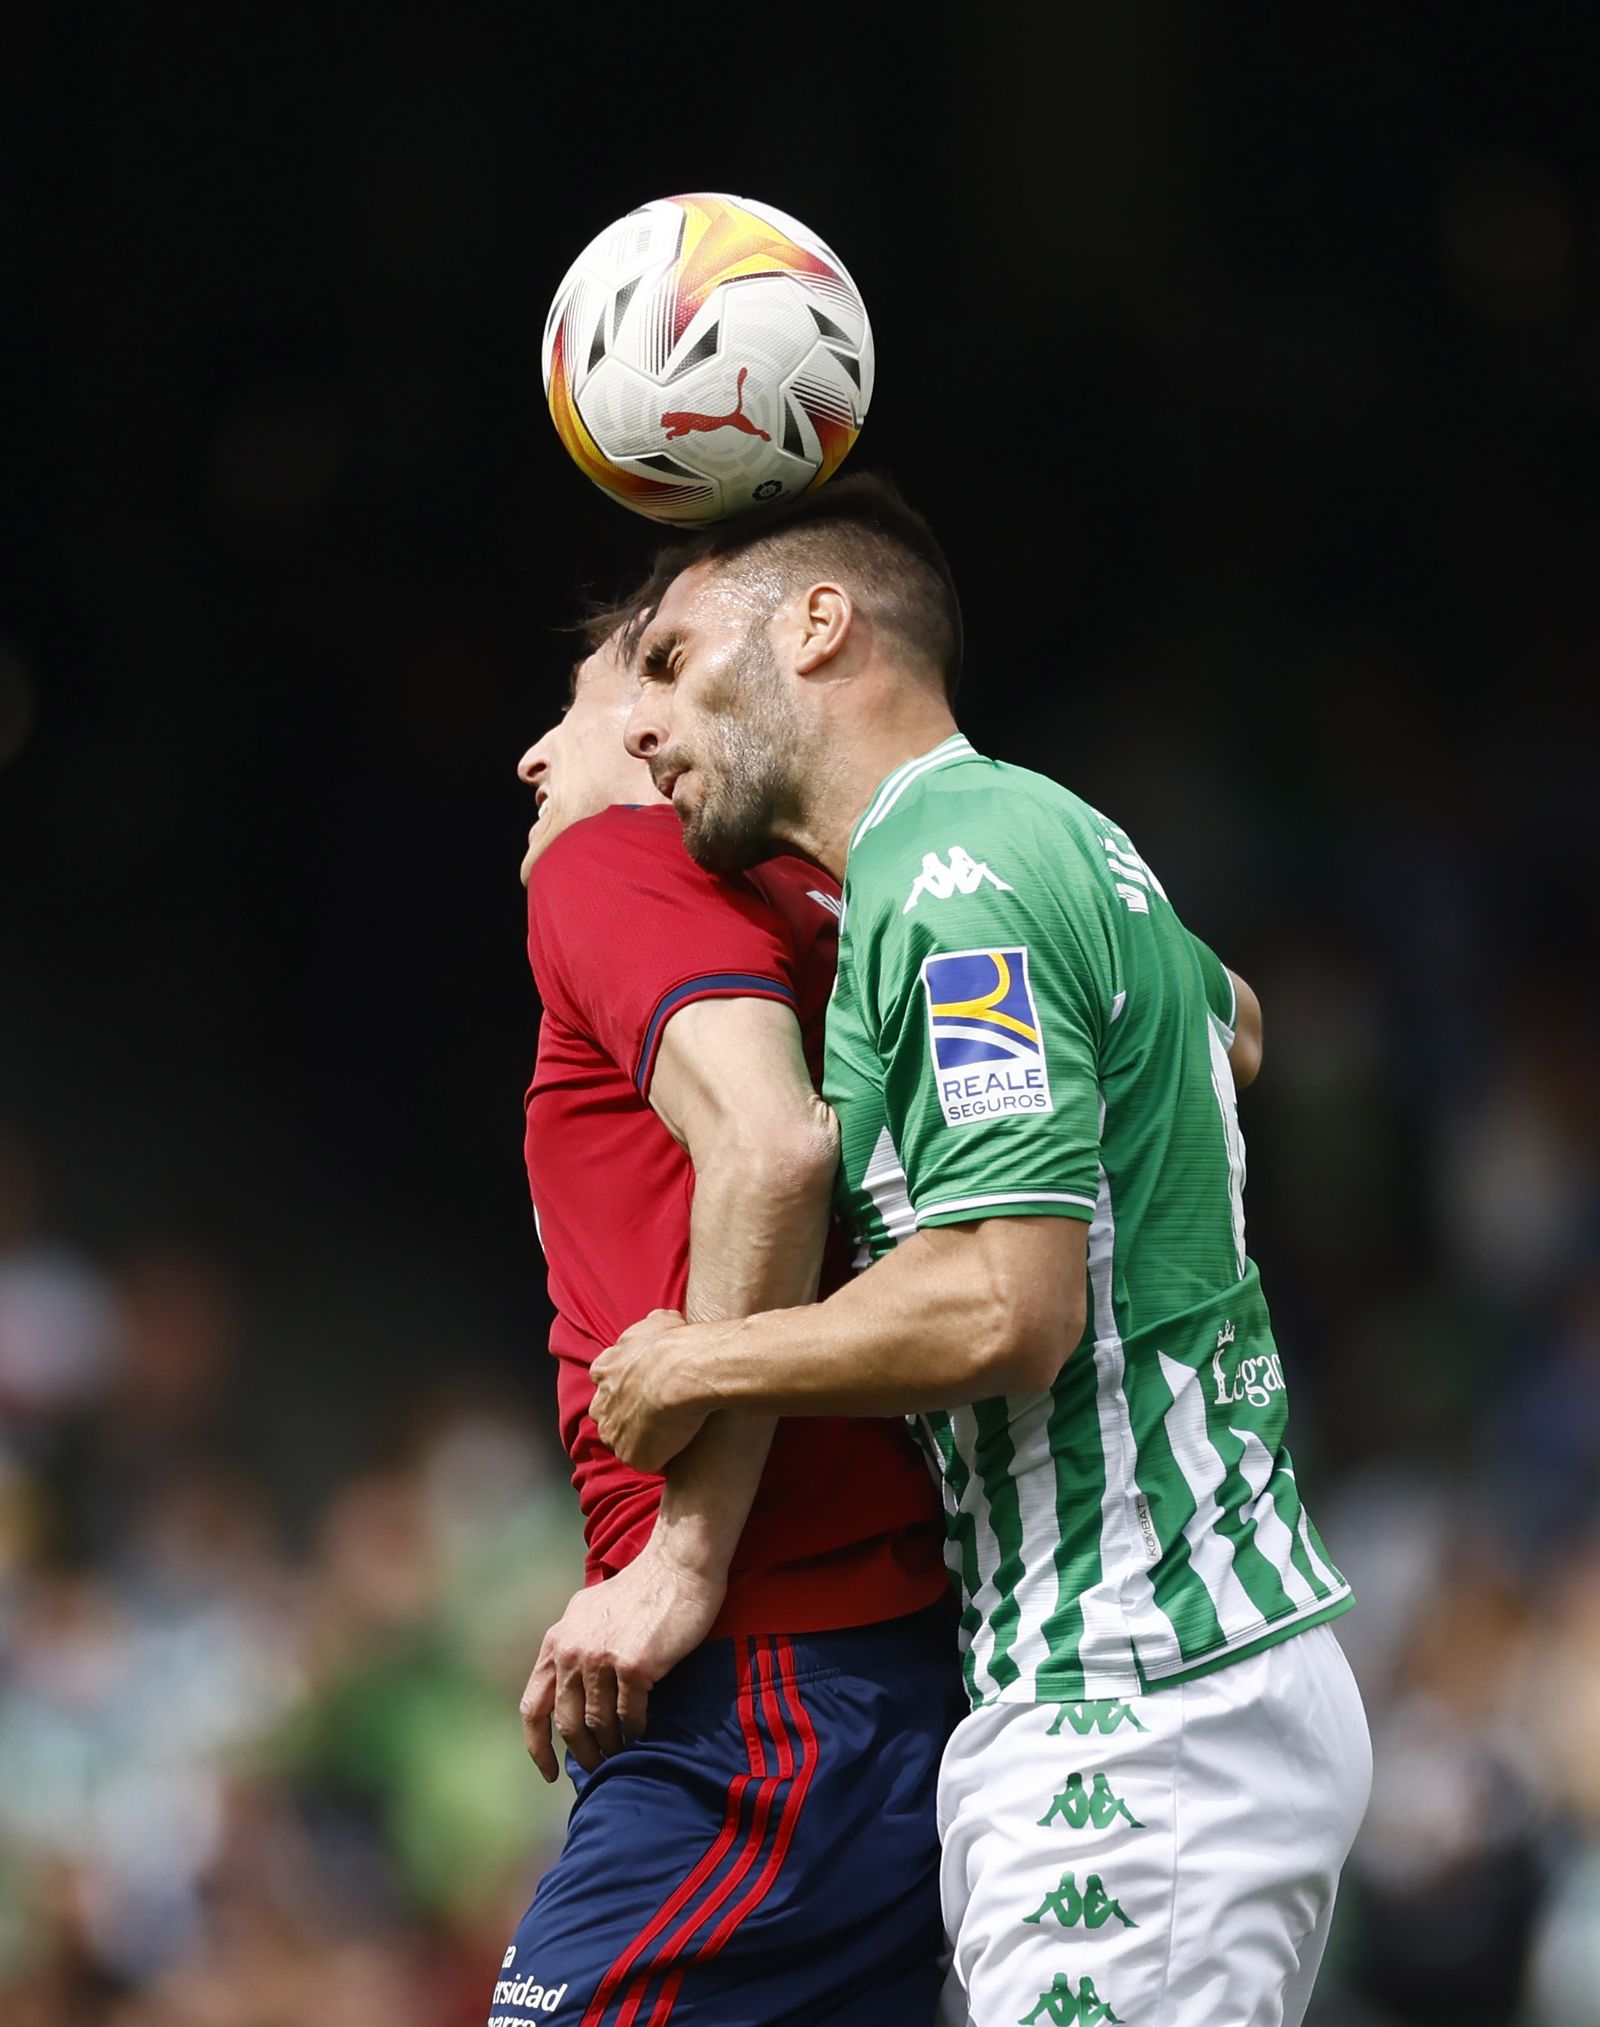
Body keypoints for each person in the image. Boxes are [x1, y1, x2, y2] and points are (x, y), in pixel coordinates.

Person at [587, 475, 1373, 2027]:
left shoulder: (955, 878)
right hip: (1146, 1677)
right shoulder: (1030, 841)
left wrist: (698, 1354)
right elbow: (1241, 1030)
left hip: (1139, 1684)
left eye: (670, 662)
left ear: (819, 628)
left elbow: (1009, 1306)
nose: (643, 728)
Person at [493, 622, 961, 2027]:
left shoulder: (614, 858)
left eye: (566, 709)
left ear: (652, 723)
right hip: (868, 1662)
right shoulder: (846, 894)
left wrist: (680, 1561)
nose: (534, 759)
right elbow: (1232, 1021)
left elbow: (773, 1148)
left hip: (766, 1675)